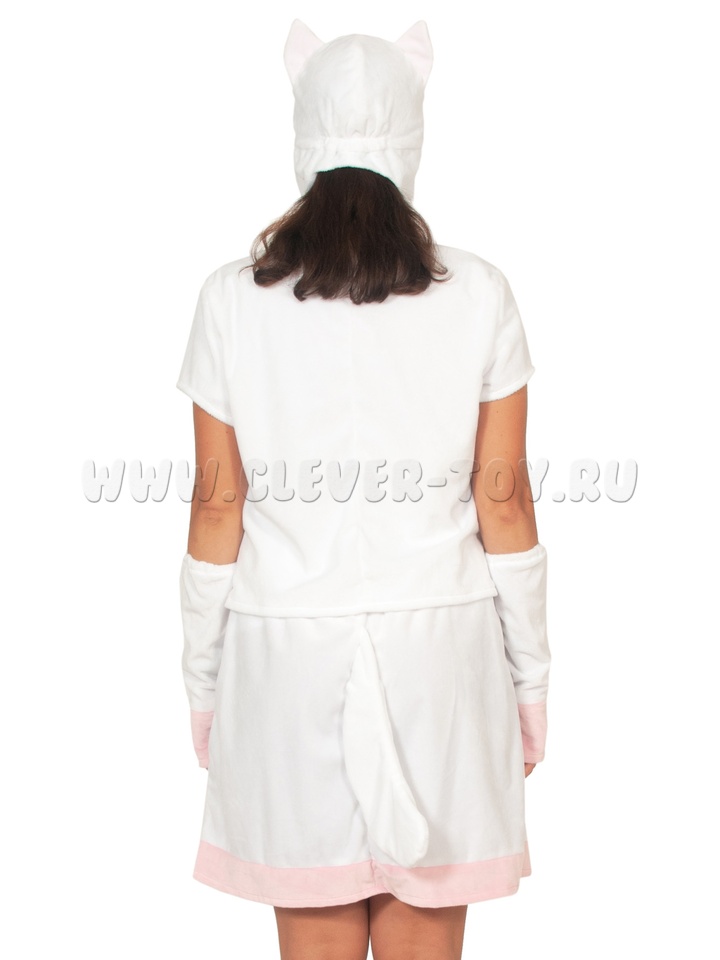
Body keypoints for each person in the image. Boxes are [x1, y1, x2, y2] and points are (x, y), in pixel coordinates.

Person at [176, 20, 551, 960]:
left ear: (302, 135)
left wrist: (205, 686)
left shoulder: (229, 299)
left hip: (285, 660)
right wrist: (532, 681)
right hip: (443, 660)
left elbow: (216, 509)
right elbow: (504, 503)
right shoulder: (481, 293)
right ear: (413, 136)